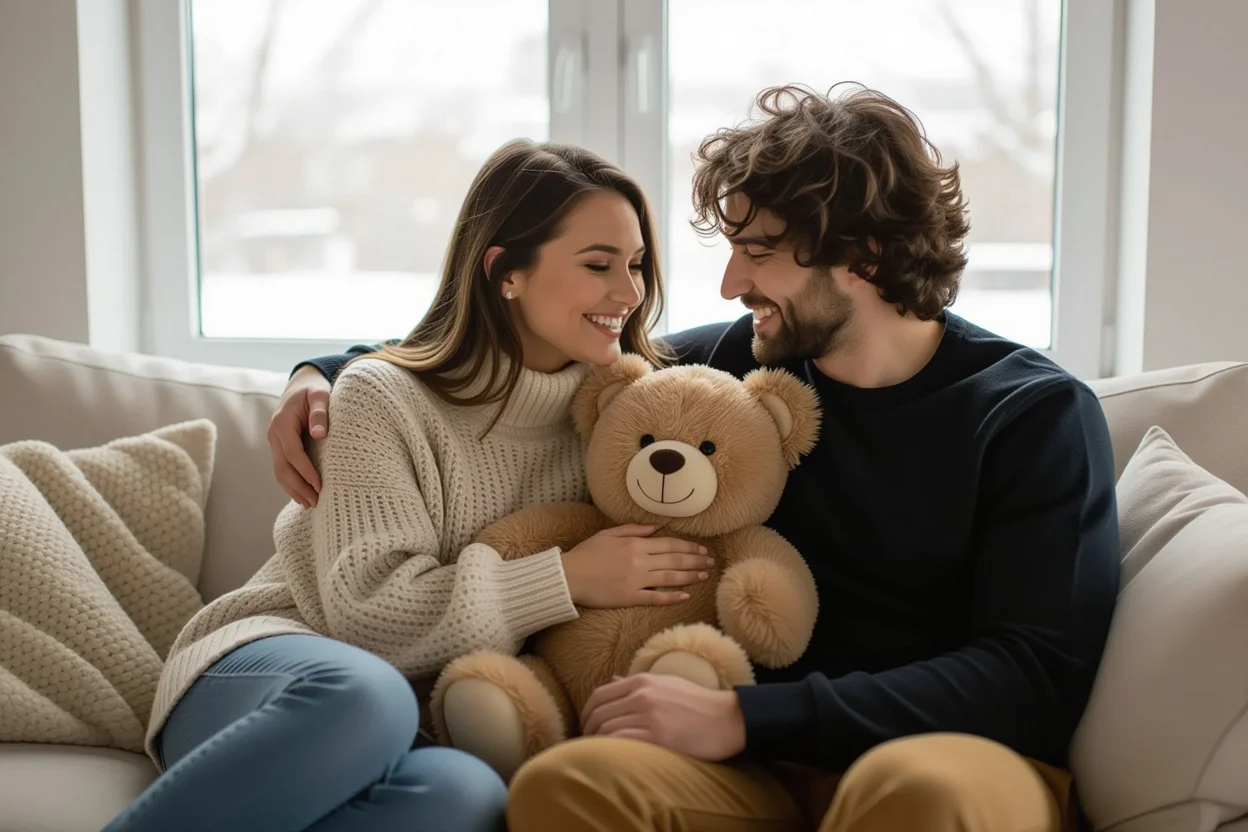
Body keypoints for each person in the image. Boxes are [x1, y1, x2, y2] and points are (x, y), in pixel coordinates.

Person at [271, 84, 1120, 832]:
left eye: (758, 252)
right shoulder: (725, 369)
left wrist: (754, 717)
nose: (727, 285)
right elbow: (533, 353)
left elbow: (1033, 674)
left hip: (945, 759)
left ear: (861, 256)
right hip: (744, 766)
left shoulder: (1029, 413)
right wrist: (329, 375)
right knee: (571, 785)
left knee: (918, 794)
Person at [104, 139, 718, 832]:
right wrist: (566, 578)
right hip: (279, 675)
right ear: (505, 272)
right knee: (366, 697)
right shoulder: (379, 397)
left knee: (466, 795)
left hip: (419, 722)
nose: (630, 293)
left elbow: (750, 344)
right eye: (599, 265)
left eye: (636, 265)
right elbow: (367, 614)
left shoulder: (624, 416)